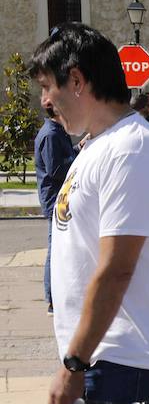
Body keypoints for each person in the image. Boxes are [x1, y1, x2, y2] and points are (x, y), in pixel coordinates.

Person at [28, 24, 149, 404]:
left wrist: (73, 364)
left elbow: (116, 269)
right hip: (105, 358)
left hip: (121, 360)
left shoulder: (131, 149)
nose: (45, 101)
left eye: (48, 86)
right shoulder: (100, 145)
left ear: (77, 80)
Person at [33, 106, 77, 313]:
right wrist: (79, 157)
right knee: (55, 249)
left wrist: (78, 150)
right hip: (55, 199)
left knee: (60, 248)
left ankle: (57, 296)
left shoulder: (58, 132)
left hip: (61, 197)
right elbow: (56, 169)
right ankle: (52, 298)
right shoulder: (51, 134)